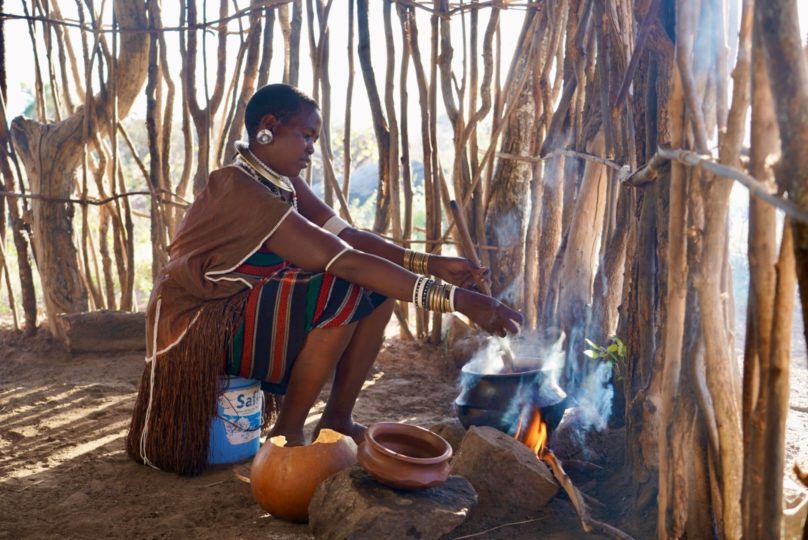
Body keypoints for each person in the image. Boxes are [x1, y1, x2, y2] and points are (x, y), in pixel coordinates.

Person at [126, 83, 522, 475]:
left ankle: (337, 420)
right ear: (268, 126)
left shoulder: (279, 181)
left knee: (377, 291)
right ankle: (286, 436)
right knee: (344, 286)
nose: (311, 149)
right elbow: (344, 261)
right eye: (306, 135)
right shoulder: (240, 189)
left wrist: (431, 263)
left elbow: (346, 236)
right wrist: (461, 300)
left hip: (239, 301)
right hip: (199, 319)